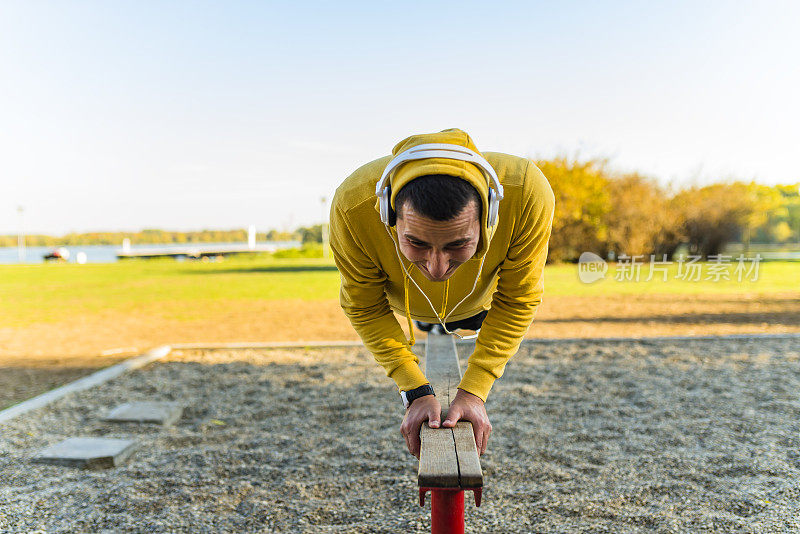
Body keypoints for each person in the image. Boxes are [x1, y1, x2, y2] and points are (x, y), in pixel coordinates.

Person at [329, 128, 555, 459]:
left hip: (479, 300)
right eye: (416, 242)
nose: (436, 268)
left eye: (458, 243)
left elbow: (517, 300)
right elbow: (364, 307)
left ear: (490, 216)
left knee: (473, 312)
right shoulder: (353, 206)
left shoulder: (525, 193)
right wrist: (415, 390)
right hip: (405, 304)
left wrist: (475, 391)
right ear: (388, 216)